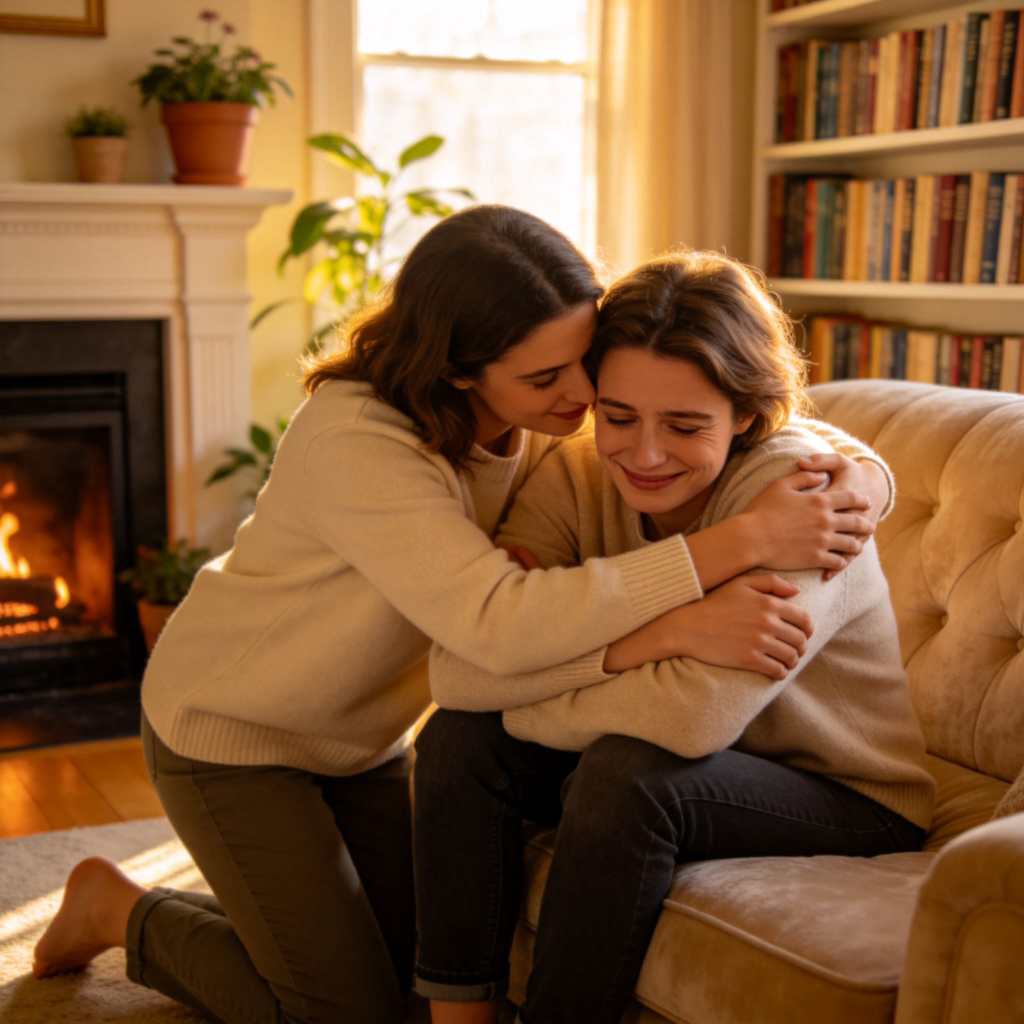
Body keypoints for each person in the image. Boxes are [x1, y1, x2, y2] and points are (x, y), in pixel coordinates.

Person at [33, 208, 890, 1024]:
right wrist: (697, 590)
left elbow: (759, 427)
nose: (585, 398)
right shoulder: (359, 443)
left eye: (584, 360)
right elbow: (492, 631)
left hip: (360, 741)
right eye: (549, 377)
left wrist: (864, 473)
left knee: (417, 992)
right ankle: (123, 912)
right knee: (343, 1013)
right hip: (235, 729)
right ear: (458, 368)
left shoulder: (549, 421)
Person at [412, 248, 936, 1024]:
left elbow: (692, 720)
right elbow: (458, 674)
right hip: (660, 755)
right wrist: (664, 634)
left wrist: (537, 681)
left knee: (629, 774)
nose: (644, 455)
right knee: (459, 741)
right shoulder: (578, 473)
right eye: (619, 415)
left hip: (839, 791)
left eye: (686, 426)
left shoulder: (803, 499)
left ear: (748, 418)